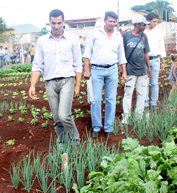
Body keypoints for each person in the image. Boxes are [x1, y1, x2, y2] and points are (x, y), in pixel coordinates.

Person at [29, 9, 82, 149]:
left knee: (64, 115)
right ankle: (64, 144)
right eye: (53, 23)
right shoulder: (42, 41)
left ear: (63, 22)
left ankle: (75, 142)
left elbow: (77, 64)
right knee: (57, 118)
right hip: (50, 82)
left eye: (59, 23)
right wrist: (32, 85)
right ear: (50, 23)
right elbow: (37, 64)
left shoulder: (73, 39)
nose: (56, 26)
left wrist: (77, 85)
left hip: (67, 80)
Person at [83, 11, 127, 139]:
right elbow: (87, 52)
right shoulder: (95, 33)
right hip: (96, 70)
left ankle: (108, 127)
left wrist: (124, 71)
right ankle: (96, 127)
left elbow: (121, 55)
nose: (112, 24)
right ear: (105, 21)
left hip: (112, 69)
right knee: (96, 99)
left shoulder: (118, 36)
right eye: (110, 21)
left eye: (114, 22)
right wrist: (87, 69)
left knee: (111, 100)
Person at [122, 15, 151, 124]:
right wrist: (123, 70)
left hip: (142, 70)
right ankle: (126, 116)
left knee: (141, 94)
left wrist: (149, 67)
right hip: (130, 70)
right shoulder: (125, 36)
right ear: (137, 24)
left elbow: (146, 53)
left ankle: (139, 115)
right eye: (143, 25)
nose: (144, 27)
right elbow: (121, 54)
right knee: (128, 94)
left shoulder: (144, 36)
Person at [144, 12, 166, 110]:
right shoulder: (142, 32)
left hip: (156, 59)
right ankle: (145, 104)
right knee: (145, 83)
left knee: (155, 82)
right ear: (148, 21)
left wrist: (163, 61)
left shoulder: (158, 32)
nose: (156, 23)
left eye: (157, 22)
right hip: (144, 61)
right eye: (154, 21)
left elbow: (162, 47)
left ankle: (154, 103)